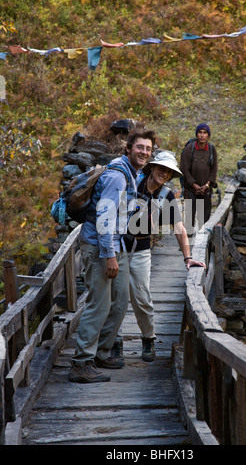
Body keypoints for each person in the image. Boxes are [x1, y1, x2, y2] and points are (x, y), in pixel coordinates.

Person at [69, 128, 156, 383]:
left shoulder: (132, 173)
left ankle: (101, 352)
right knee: (99, 303)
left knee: (119, 302)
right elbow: (105, 219)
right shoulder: (118, 176)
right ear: (128, 148)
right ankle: (81, 362)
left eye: (148, 149)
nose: (144, 152)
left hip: (114, 246)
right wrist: (109, 256)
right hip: (100, 246)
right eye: (140, 147)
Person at [112, 151, 206, 363]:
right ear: (152, 167)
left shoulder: (166, 195)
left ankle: (148, 338)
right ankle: (114, 342)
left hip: (142, 250)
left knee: (141, 296)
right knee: (117, 297)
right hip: (118, 247)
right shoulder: (132, 183)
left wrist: (187, 257)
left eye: (168, 171)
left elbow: (180, 228)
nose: (163, 173)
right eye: (161, 168)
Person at [179, 123, 218, 233]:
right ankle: (188, 238)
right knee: (190, 213)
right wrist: (194, 185)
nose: (202, 135)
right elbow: (184, 169)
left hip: (206, 188)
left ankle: (204, 236)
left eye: (204, 133)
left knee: (205, 215)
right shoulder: (189, 149)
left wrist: (207, 185)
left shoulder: (211, 149)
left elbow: (214, 169)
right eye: (200, 132)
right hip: (191, 188)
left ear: (208, 135)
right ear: (196, 134)